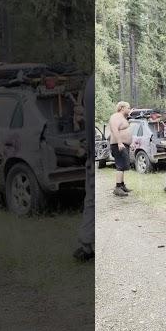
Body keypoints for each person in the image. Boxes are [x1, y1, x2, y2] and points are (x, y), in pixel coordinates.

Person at [74, 74, 95, 262]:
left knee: (91, 201)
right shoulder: (93, 84)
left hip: (90, 153)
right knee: (94, 201)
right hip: (92, 154)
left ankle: (86, 245)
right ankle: (87, 245)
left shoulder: (89, 83)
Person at [108, 101, 133, 196]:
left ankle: (122, 185)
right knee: (120, 165)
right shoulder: (116, 116)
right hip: (118, 144)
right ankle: (117, 188)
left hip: (123, 144)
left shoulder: (122, 117)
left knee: (123, 165)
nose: (129, 109)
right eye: (128, 108)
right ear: (122, 108)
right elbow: (114, 129)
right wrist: (119, 142)